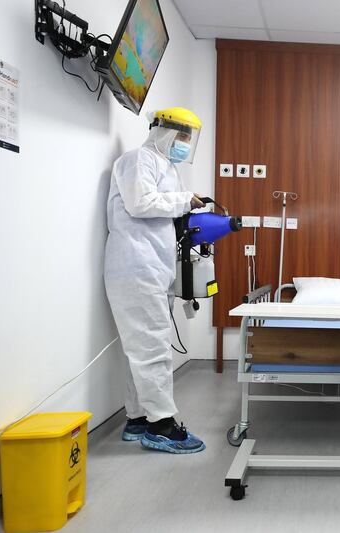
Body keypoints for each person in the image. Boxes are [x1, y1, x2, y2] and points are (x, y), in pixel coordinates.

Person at [104, 107, 206, 454]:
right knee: (152, 348)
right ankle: (161, 425)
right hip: (136, 265)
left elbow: (167, 213)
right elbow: (140, 203)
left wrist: (188, 206)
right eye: (181, 137)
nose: (184, 145)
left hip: (152, 267)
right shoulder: (138, 159)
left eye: (188, 140)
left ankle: (137, 418)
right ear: (163, 132)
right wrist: (183, 201)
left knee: (142, 349)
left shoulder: (169, 169)